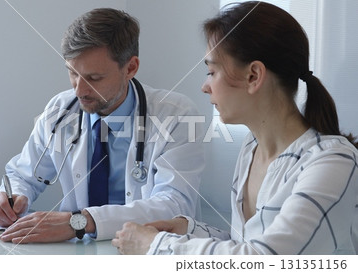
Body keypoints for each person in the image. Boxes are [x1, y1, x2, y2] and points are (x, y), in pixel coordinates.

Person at [112, 1, 358, 255]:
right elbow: (248, 244)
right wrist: (188, 229)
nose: (204, 86)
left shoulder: (333, 162)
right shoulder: (252, 148)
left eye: (212, 71)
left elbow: (264, 260)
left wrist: (155, 245)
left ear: (253, 76)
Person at [0, 8, 204, 243]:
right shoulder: (60, 111)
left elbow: (174, 206)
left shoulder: (176, 115)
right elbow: (24, 174)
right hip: (79, 251)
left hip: (145, 251)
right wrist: (14, 197)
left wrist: (80, 222)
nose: (79, 90)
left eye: (94, 78)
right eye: (72, 73)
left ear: (130, 68)